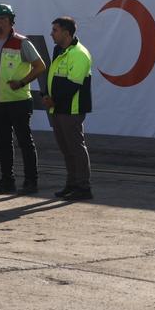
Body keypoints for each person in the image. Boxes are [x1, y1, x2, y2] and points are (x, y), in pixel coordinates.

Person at [0, 3, 47, 194]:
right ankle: (7, 180)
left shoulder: (22, 42)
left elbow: (40, 66)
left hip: (18, 101)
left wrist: (21, 82)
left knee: (24, 142)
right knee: (3, 143)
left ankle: (30, 181)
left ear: (8, 21)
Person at [42, 16, 94, 200]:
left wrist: (53, 100)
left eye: (55, 30)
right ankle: (72, 184)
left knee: (76, 148)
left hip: (71, 110)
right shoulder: (59, 50)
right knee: (66, 149)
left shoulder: (80, 53)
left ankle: (84, 187)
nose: (51, 34)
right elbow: (54, 77)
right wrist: (47, 96)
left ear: (66, 32)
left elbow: (74, 84)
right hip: (57, 109)